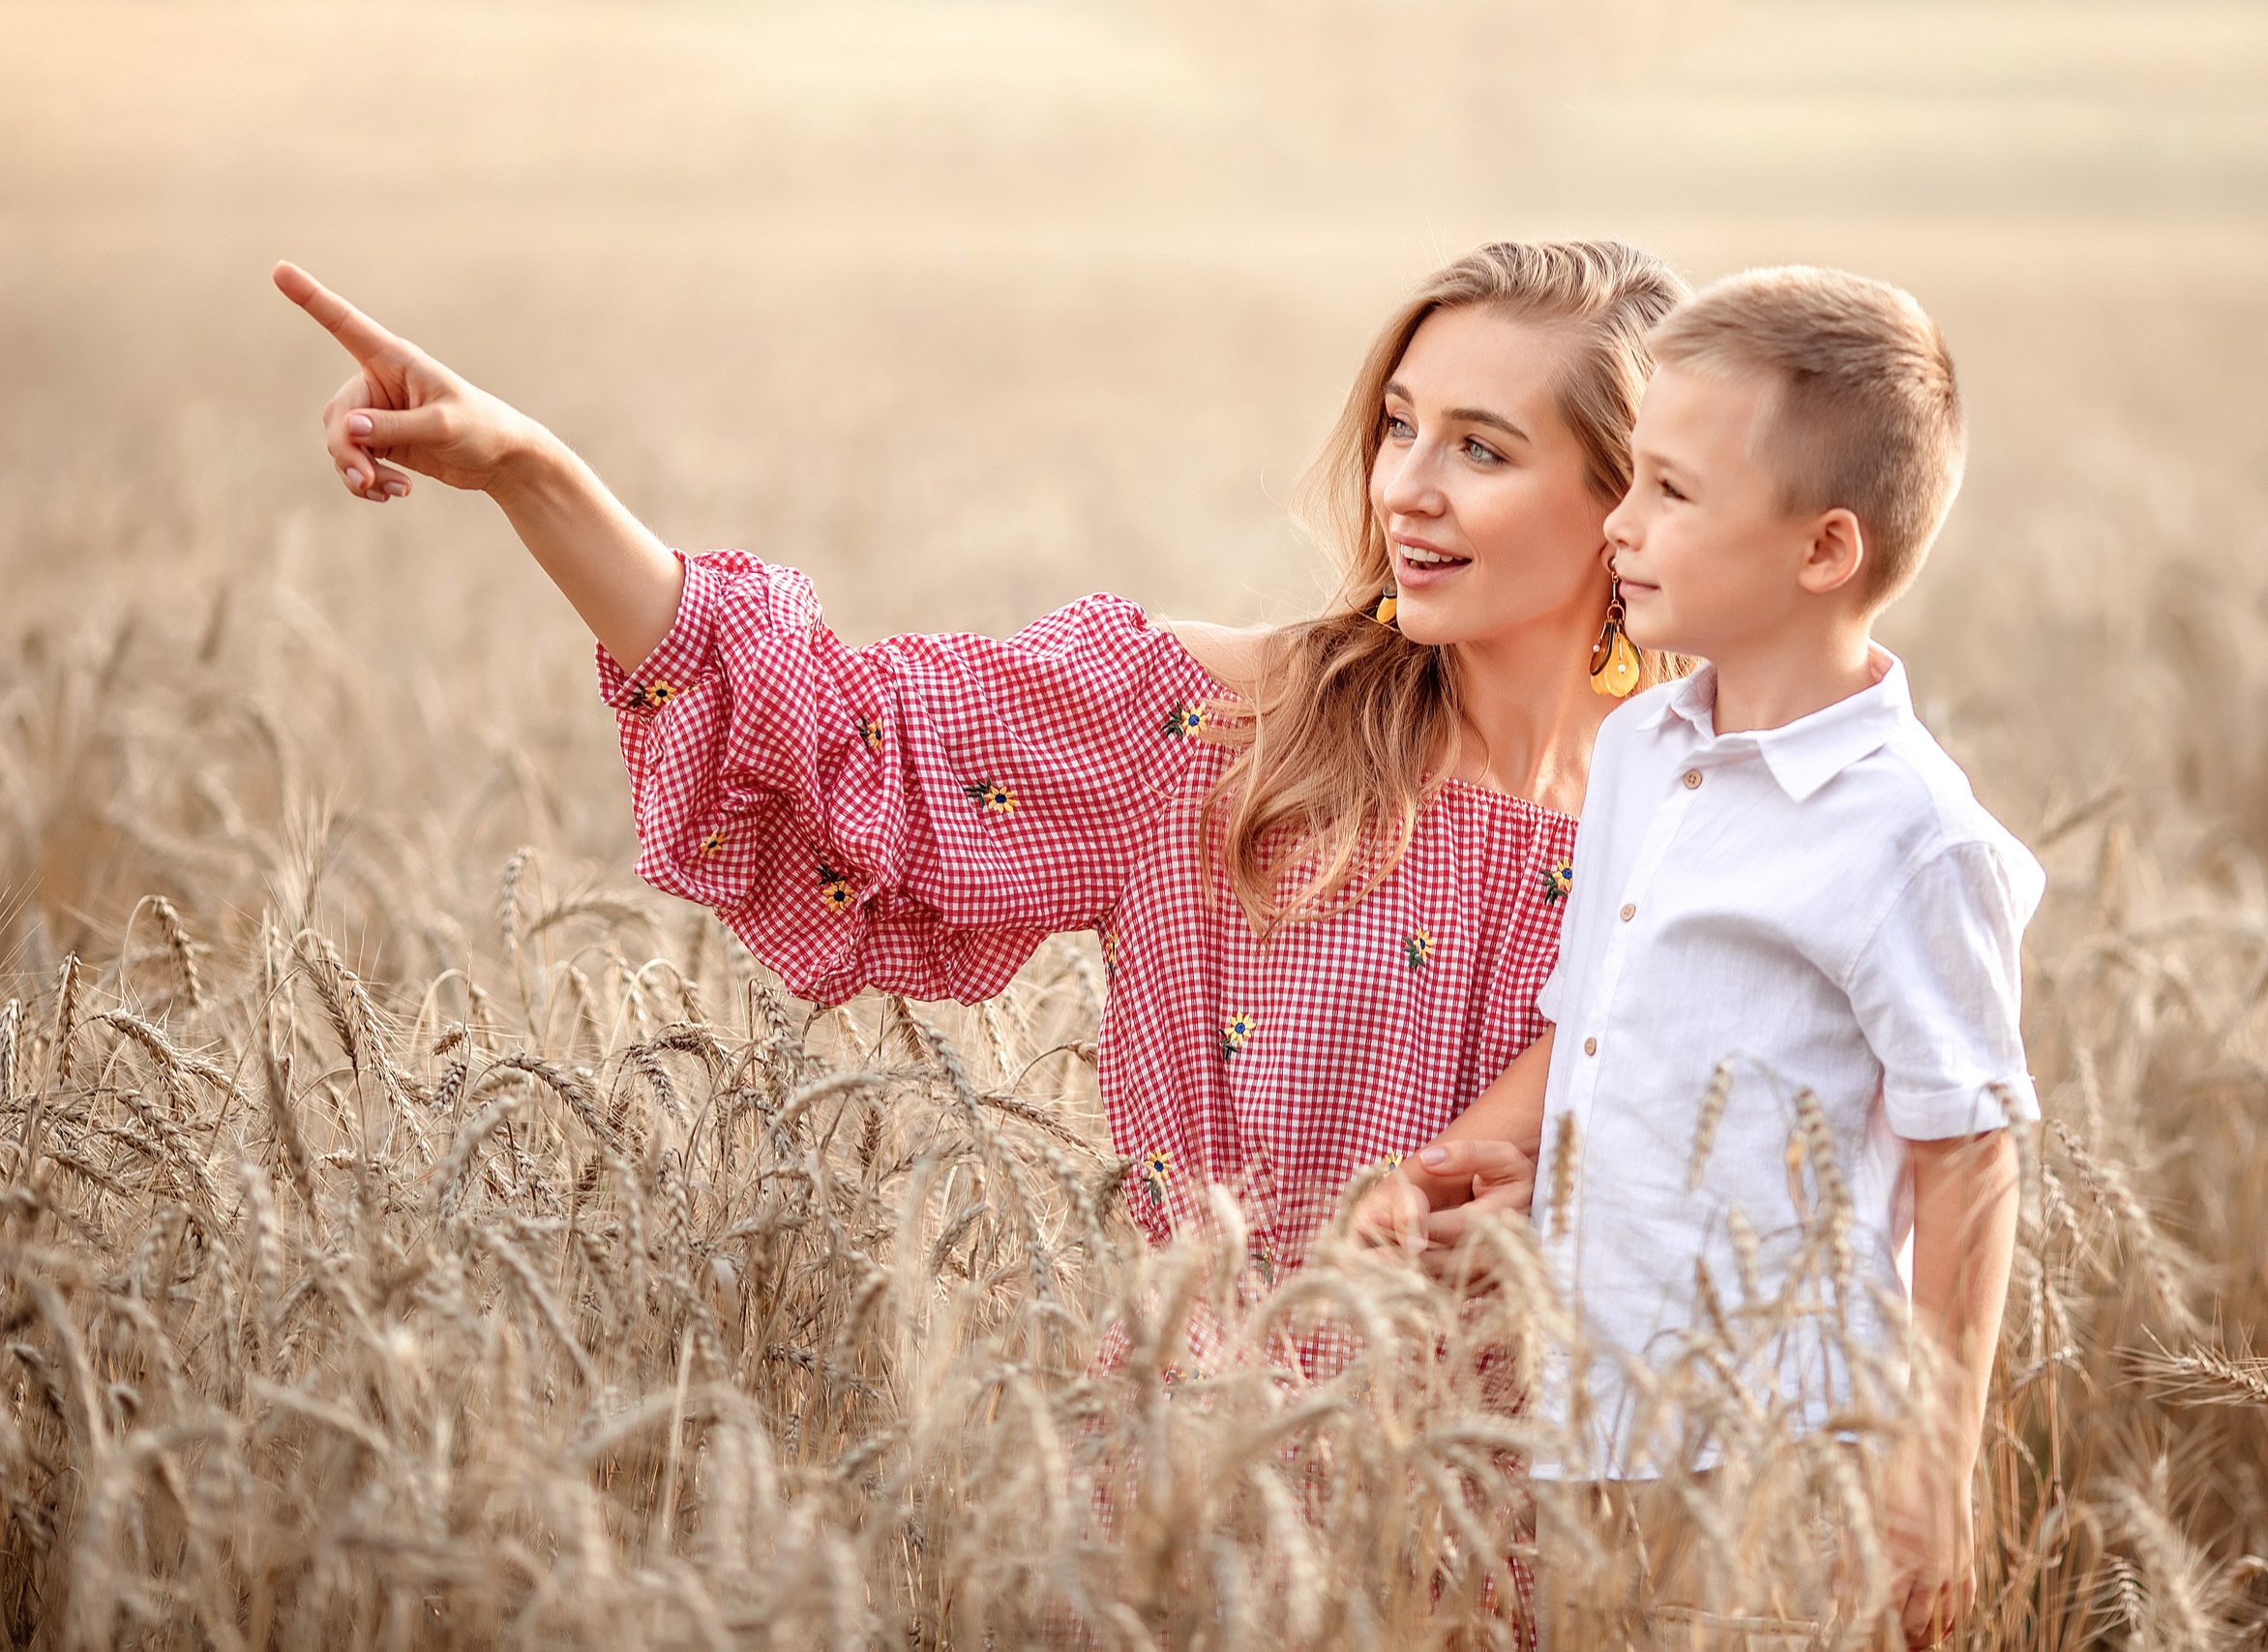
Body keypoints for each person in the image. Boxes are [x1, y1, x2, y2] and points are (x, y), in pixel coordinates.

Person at [272, 242, 1687, 1284]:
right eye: (1398, 424)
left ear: (1626, 500)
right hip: (1230, 1510)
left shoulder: (1706, 814)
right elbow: (831, 739)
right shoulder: (1220, 733)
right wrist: (533, 470)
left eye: (1482, 449)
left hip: (1560, 1551)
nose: (1405, 488)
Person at [1373, 266, 2041, 1648]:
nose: (1618, 522)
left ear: (1824, 550)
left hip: (1775, 1452)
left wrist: (1932, 1468)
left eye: (1670, 493)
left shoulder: (1912, 835)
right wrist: (1497, 1175)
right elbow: (1606, 1029)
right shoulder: (1644, 750)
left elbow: (1966, 1156)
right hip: (1585, 1418)